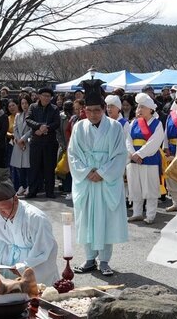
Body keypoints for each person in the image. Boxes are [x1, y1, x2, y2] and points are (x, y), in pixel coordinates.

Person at [67, 82, 128, 276]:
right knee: (86, 219)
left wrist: (102, 172)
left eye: (97, 110)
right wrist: (87, 172)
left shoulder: (115, 127)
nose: (93, 114)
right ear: (84, 110)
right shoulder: (79, 127)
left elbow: (120, 154)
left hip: (105, 180)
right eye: (89, 110)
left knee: (105, 220)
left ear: (104, 109)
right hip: (86, 180)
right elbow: (73, 154)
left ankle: (104, 260)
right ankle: (89, 258)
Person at [0, 180, 59, 284]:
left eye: (4, 209)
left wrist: (23, 267)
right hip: (8, 267)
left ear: (15, 199)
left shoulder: (35, 218)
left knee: (34, 291)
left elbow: (43, 250)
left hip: (33, 268)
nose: (2, 213)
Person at [126, 94, 166, 224]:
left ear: (150, 109)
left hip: (149, 159)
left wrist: (139, 154)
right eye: (138, 107)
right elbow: (128, 139)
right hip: (134, 160)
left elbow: (154, 142)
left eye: (142, 107)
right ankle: (137, 213)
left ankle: (150, 215)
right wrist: (133, 154)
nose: (139, 109)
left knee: (150, 188)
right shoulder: (134, 122)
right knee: (135, 186)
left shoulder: (157, 124)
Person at [26, 87, 60, 199]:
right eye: (44, 95)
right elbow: (28, 119)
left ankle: (50, 191)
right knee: (34, 168)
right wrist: (39, 126)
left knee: (49, 168)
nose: (46, 98)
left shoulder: (54, 108)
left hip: (50, 142)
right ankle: (32, 191)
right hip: (36, 142)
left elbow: (57, 123)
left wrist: (46, 128)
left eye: (48, 96)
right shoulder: (33, 107)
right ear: (39, 96)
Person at [10, 96, 31, 196]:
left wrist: (23, 139)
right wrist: (18, 140)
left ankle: (29, 185)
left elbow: (32, 129)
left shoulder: (32, 115)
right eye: (22, 103)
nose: (24, 105)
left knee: (28, 166)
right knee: (19, 167)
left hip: (28, 143)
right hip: (18, 144)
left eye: (26, 103)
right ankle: (22, 185)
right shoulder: (18, 115)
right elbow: (15, 129)